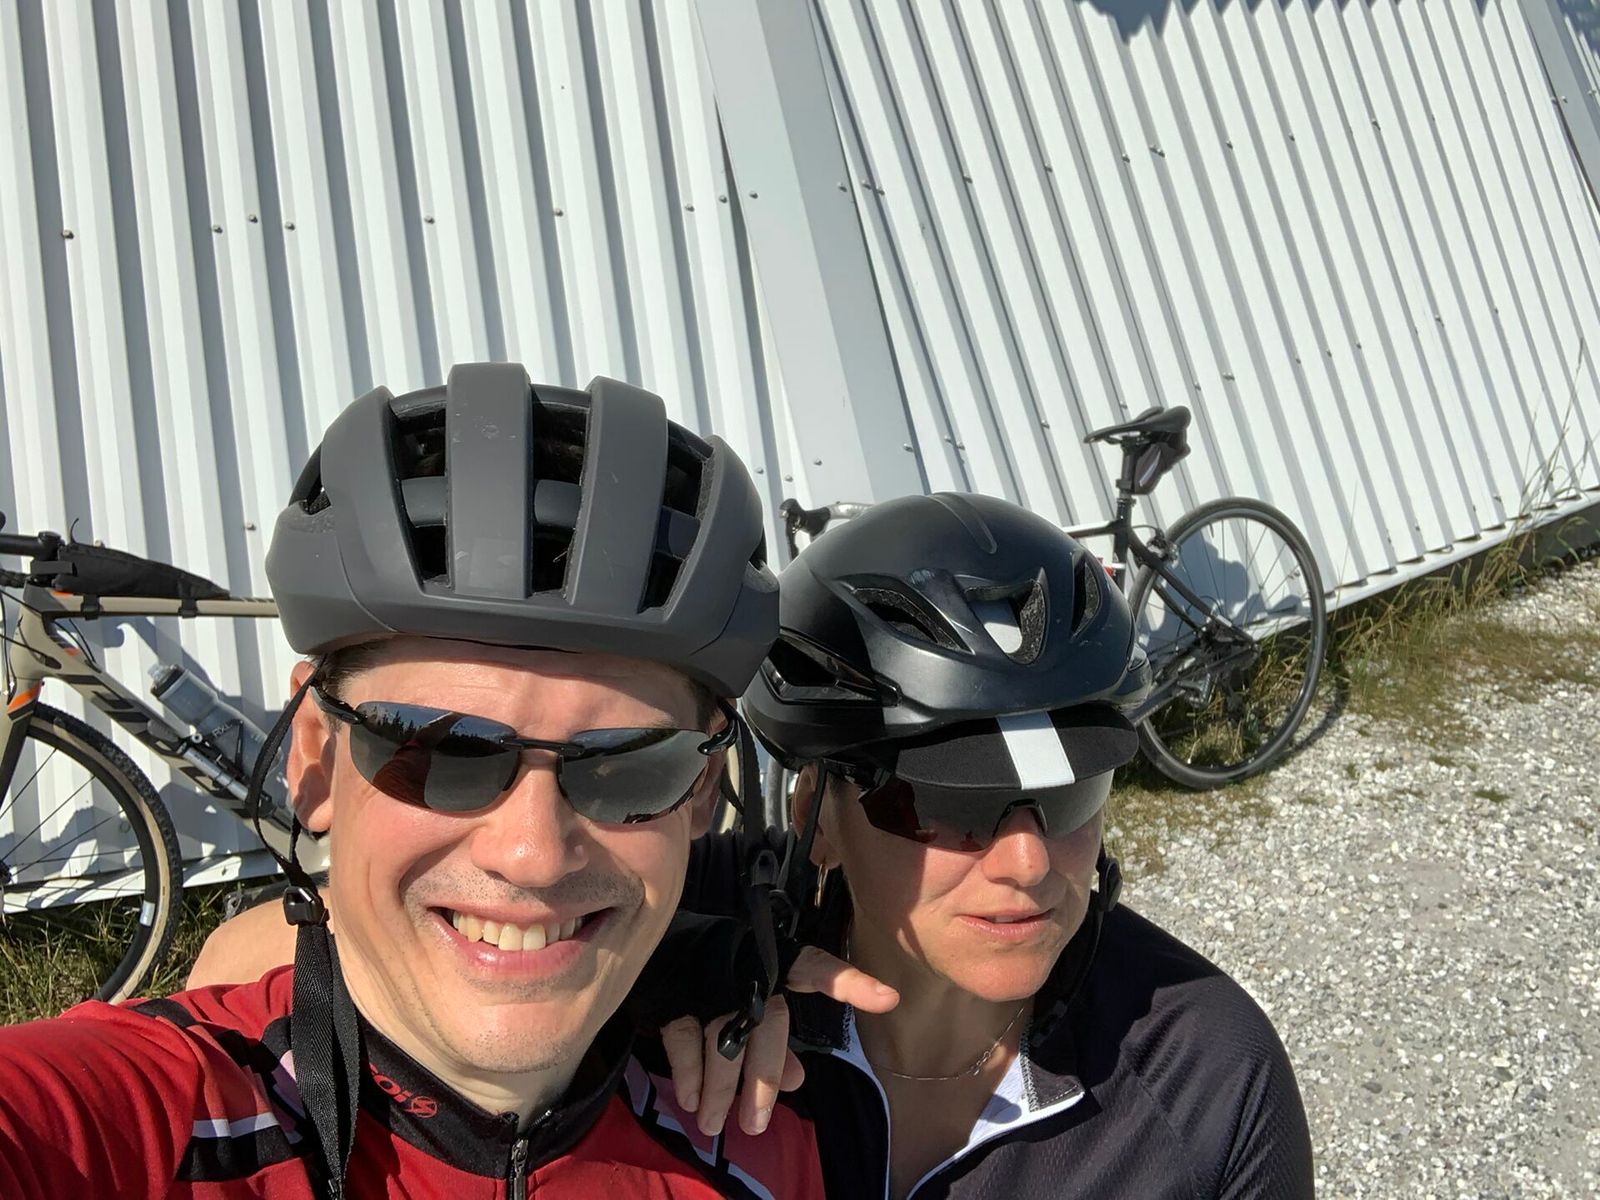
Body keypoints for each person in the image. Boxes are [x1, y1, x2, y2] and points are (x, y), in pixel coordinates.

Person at [0, 364, 827, 1199]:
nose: (533, 853)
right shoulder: (138, 1125)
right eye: (447, 752)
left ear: (701, 789)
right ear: (315, 759)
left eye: (629, 764)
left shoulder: (778, 1143)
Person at [660, 493, 1316, 1198]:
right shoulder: (687, 920)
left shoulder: (1210, 1078)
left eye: (1072, 791)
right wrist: (643, 978)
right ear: (816, 816)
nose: (1029, 862)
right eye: (949, 805)